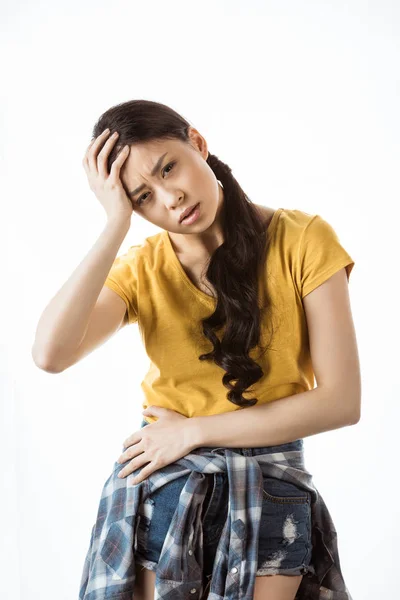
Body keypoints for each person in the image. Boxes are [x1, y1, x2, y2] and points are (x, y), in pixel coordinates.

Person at [32, 99, 360, 600]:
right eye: (144, 196)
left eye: (169, 167)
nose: (171, 196)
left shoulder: (304, 240)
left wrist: (193, 432)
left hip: (268, 486)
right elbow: (50, 354)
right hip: (162, 484)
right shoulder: (142, 267)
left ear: (198, 143)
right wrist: (114, 223)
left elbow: (341, 401)